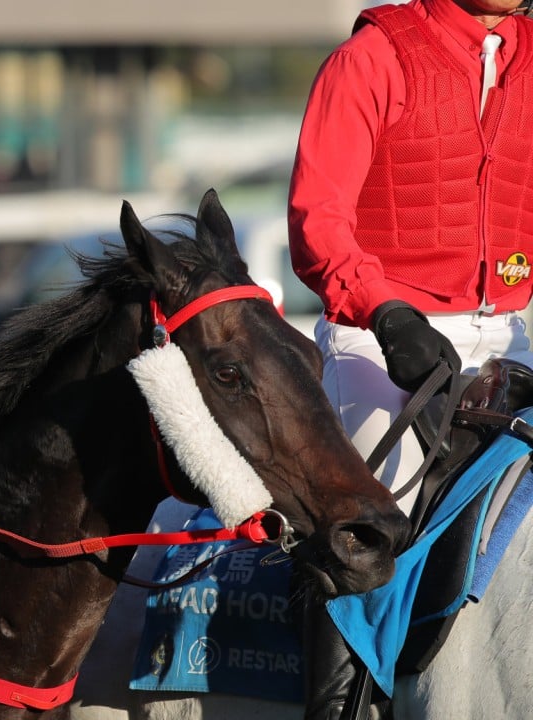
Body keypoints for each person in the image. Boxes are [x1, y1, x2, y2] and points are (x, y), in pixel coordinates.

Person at [288, 1, 533, 717]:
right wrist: (384, 310)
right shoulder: (372, 58)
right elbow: (316, 218)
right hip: (383, 336)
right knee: (365, 515)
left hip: (511, 333)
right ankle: (339, 706)